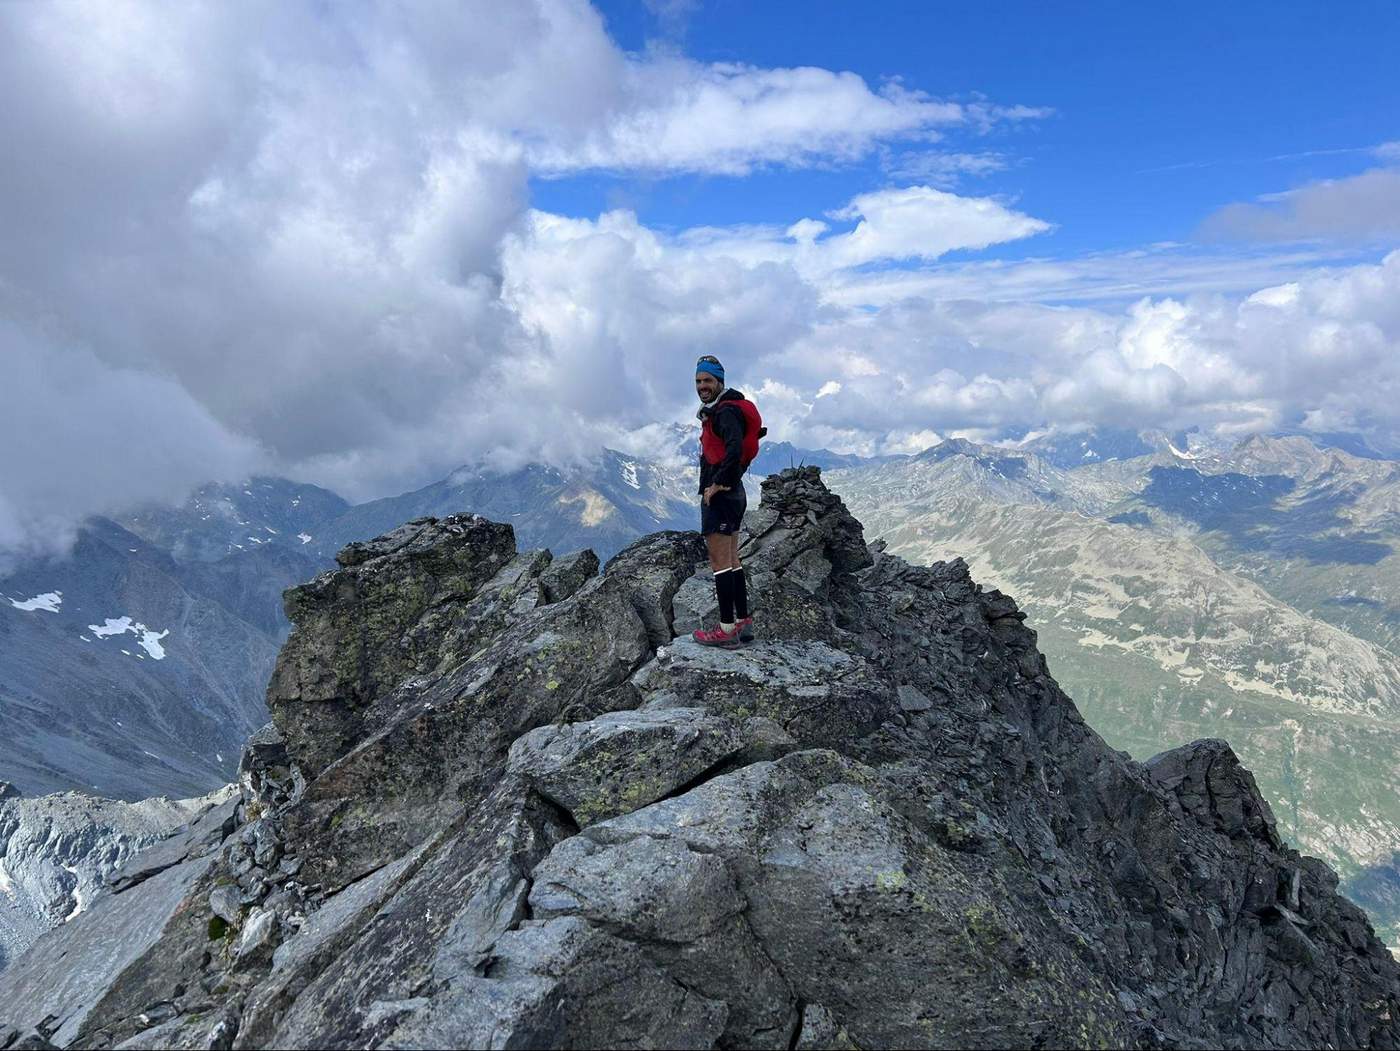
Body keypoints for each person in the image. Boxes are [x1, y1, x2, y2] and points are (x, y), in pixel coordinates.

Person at [692, 355, 763, 648]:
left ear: (719, 381)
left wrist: (717, 484)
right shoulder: (724, 409)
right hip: (735, 493)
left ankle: (726, 629)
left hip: (723, 495)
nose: (702, 386)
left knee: (719, 561)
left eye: (708, 380)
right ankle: (743, 622)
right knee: (732, 559)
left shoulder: (724, 413)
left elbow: (733, 449)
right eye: (698, 381)